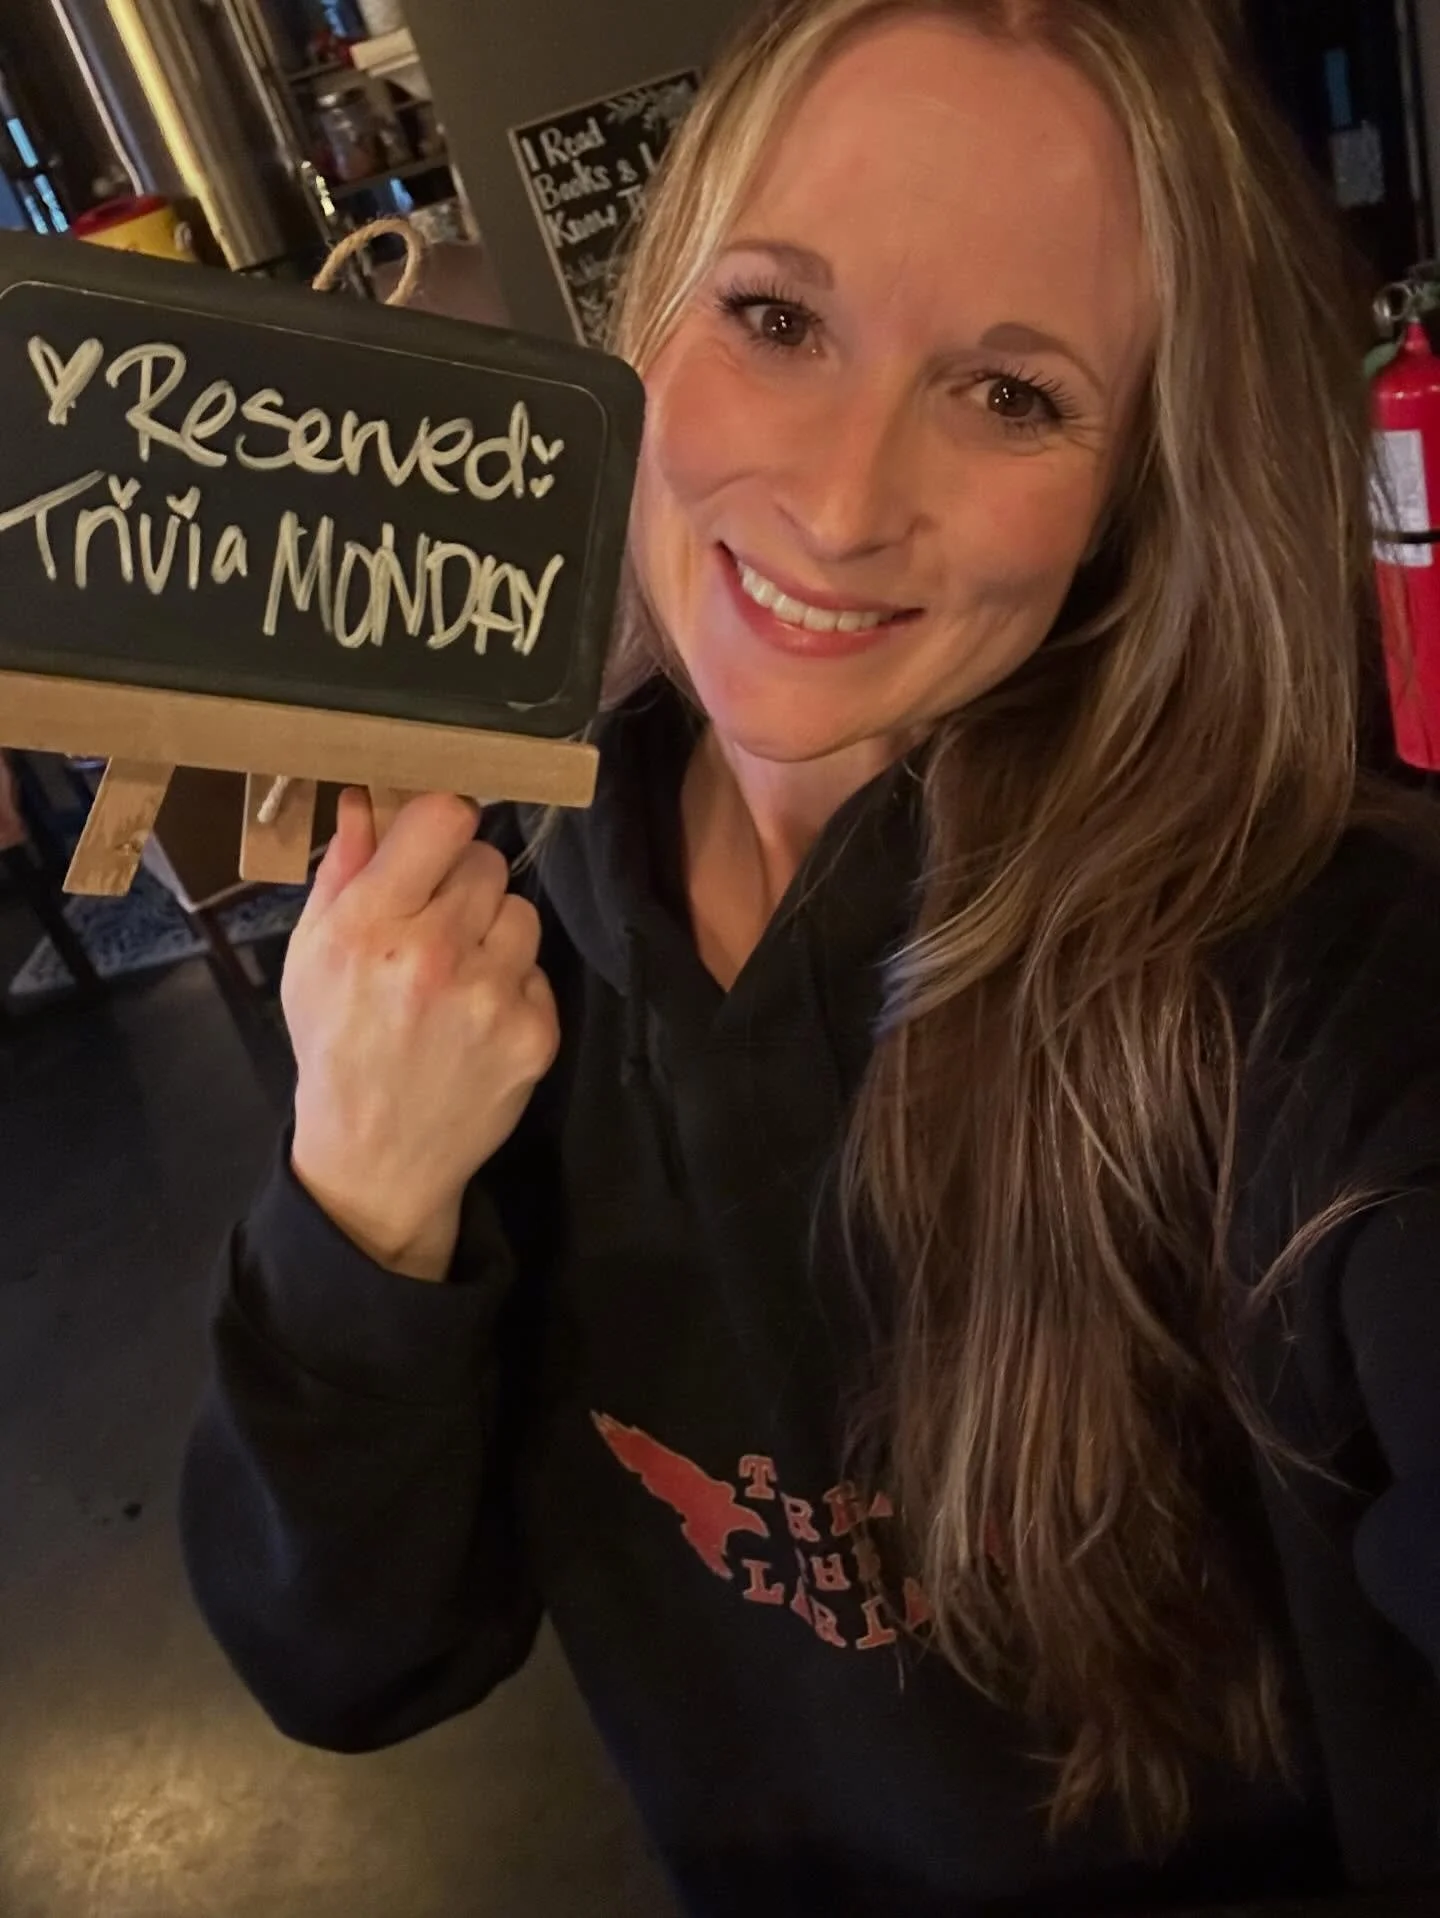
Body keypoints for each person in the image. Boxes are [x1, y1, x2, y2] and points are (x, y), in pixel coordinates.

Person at [181, 1, 1440, 1912]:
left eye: (1012, 393)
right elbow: (350, 1657)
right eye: (776, 317)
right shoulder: (480, 943)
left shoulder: (1317, 977)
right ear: (647, 322)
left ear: (1136, 486)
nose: (845, 506)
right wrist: (358, 1188)